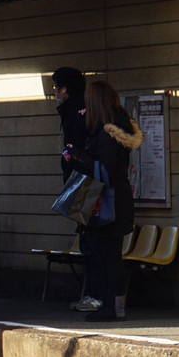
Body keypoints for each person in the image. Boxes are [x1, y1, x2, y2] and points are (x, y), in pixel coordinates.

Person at [77, 79, 143, 322]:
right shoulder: (119, 128)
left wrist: (79, 159)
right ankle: (118, 307)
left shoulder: (105, 133)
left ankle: (111, 308)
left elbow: (105, 169)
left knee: (108, 256)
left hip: (107, 201)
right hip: (120, 198)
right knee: (113, 255)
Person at [50, 66, 100, 311]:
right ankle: (94, 294)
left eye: (56, 87)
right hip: (85, 181)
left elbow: (79, 148)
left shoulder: (77, 112)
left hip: (84, 183)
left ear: (65, 88)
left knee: (91, 240)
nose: (56, 93)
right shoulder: (82, 109)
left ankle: (95, 295)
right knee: (89, 240)